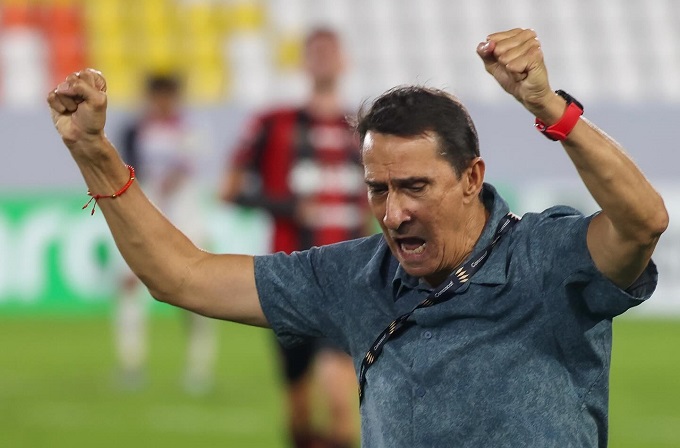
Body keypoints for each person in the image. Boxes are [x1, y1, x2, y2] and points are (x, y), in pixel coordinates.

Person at [47, 28, 667, 447]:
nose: (392, 214)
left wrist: (549, 106)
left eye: (415, 187)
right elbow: (182, 276)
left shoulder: (545, 255)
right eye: (377, 189)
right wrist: (94, 153)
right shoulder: (354, 276)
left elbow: (643, 222)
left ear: (472, 178)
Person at [220, 28, 364, 448]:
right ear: (302, 62)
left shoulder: (364, 130)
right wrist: (287, 206)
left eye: (330, 51)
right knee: (299, 409)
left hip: (345, 280)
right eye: (314, 52)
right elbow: (229, 189)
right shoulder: (273, 123)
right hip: (290, 279)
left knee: (339, 402)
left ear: (344, 61)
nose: (323, 59)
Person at [114, 73, 217, 394]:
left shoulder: (191, 129)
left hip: (185, 217)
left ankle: (199, 368)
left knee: (197, 293)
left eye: (167, 96)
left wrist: (170, 180)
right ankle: (131, 364)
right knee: (130, 286)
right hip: (144, 214)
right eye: (158, 96)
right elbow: (126, 173)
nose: (162, 103)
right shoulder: (134, 130)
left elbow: (187, 169)